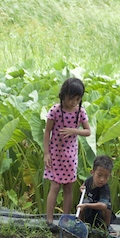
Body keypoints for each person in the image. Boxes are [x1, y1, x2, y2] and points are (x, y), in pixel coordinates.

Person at [43, 77, 91, 225]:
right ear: (63, 95)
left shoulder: (80, 112)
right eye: (71, 99)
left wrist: (74, 130)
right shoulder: (55, 111)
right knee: (55, 186)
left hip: (70, 155)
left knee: (69, 187)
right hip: (55, 154)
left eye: (77, 99)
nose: (73, 102)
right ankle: (49, 219)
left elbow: (88, 131)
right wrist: (46, 153)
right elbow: (47, 132)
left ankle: (65, 219)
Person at [76, 155, 116, 235]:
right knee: (82, 205)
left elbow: (103, 205)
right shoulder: (89, 181)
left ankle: (106, 228)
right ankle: (80, 225)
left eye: (106, 177)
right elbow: (84, 185)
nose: (102, 179)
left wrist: (86, 205)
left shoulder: (105, 188)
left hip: (100, 214)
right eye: (99, 175)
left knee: (107, 207)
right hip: (90, 212)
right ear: (92, 173)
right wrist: (82, 188)